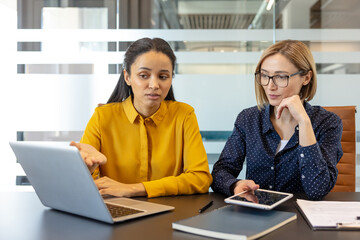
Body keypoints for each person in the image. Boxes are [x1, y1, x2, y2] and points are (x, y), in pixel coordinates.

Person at [71, 37, 212, 198]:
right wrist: (85, 169)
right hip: (117, 211)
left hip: (169, 213)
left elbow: (201, 179)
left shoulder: (184, 115)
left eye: (163, 76)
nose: (154, 85)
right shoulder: (102, 117)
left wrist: (135, 189)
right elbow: (86, 185)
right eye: (144, 75)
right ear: (127, 77)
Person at [211, 40, 343, 200]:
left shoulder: (328, 123)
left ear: (306, 78)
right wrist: (235, 185)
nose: (270, 86)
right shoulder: (248, 119)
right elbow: (221, 171)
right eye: (265, 75)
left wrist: (304, 122)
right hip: (257, 217)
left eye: (281, 77)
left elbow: (317, 190)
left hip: (300, 219)